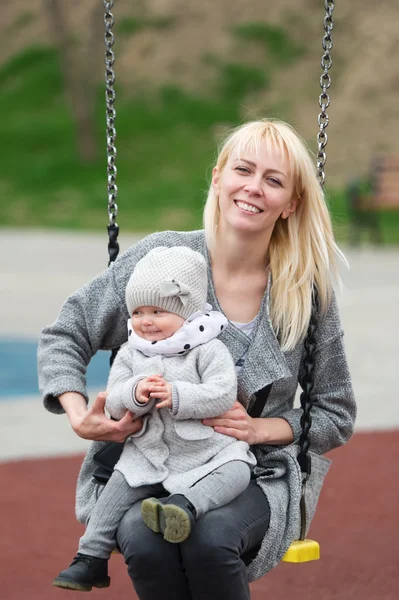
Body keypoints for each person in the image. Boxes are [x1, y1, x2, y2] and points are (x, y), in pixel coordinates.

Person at [38, 118, 356, 600]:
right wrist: (80, 414)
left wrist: (262, 429)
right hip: (153, 457)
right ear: (217, 177)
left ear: (291, 203)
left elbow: (335, 411)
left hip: (251, 468)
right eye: (243, 170)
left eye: (273, 180)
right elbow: (67, 332)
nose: (253, 188)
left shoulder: (304, 292)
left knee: (211, 539)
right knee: (145, 540)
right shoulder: (162, 261)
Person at [52, 246, 256, 592]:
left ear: (186, 312)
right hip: (147, 455)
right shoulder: (132, 353)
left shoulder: (207, 349)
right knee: (115, 489)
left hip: (206, 454)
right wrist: (135, 393)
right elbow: (114, 398)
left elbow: (223, 393)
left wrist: (177, 395)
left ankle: (185, 505)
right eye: (137, 312)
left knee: (237, 468)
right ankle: (90, 558)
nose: (145, 321)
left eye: (158, 311)